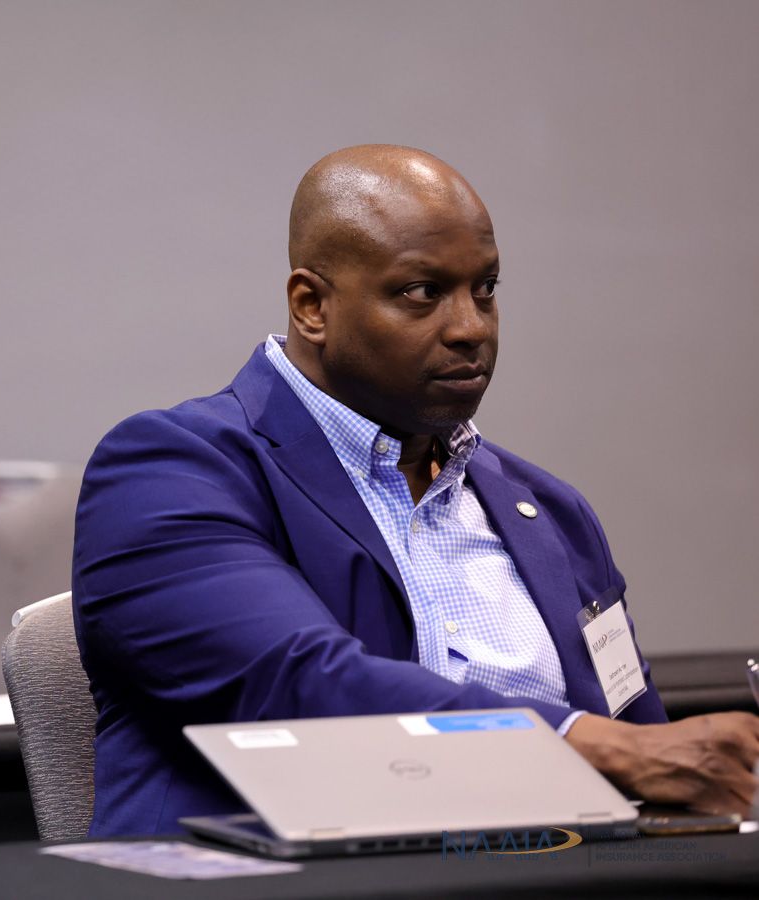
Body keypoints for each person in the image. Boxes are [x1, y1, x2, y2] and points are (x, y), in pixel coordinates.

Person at [72, 144, 759, 836]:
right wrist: (596, 746)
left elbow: (654, 754)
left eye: (485, 288)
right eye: (422, 293)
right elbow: (302, 687)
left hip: (558, 870)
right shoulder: (170, 470)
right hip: (281, 877)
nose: (471, 328)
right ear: (312, 306)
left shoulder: (552, 512)